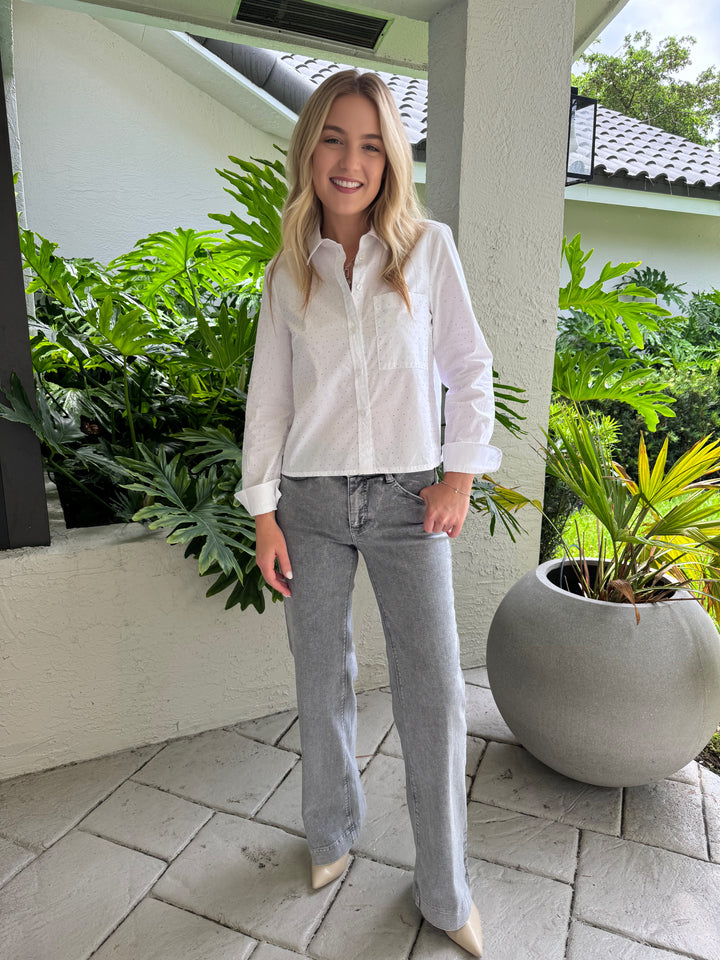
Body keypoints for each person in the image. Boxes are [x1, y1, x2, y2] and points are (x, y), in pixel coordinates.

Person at [236, 68, 501, 958]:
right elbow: (268, 403)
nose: (351, 161)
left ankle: (444, 887)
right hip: (308, 503)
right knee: (322, 681)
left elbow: (470, 367)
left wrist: (458, 477)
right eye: (335, 140)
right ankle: (332, 835)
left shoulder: (429, 251)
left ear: (392, 158)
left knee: (432, 695)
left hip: (407, 500)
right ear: (310, 148)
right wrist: (265, 514)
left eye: (372, 143)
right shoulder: (287, 268)